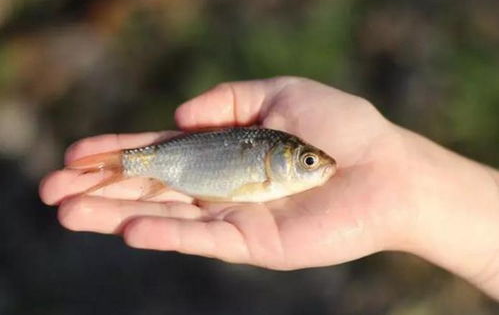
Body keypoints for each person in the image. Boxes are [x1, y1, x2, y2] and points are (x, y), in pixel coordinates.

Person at [39, 77, 499, 300]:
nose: (318, 167)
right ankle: (114, 167)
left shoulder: (271, 167)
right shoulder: (262, 169)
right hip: (181, 163)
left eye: (310, 160)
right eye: (308, 161)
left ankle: (113, 167)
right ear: (276, 159)